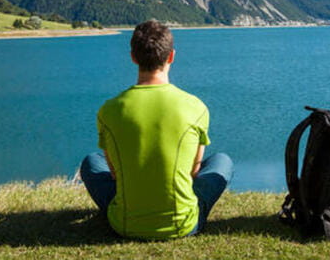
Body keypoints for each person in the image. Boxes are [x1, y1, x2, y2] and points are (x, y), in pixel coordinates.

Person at [80, 19, 233, 239]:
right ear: (171, 56)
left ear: (133, 57)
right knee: (222, 161)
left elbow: (113, 174)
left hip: (124, 224)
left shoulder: (108, 110)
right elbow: (194, 171)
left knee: (91, 162)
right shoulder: (196, 107)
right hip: (182, 224)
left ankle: (131, 206)